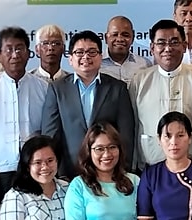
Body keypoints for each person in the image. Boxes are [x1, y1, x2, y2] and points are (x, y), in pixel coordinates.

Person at [42, 30, 135, 178]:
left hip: (109, 171)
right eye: (79, 52)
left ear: (100, 56)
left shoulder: (117, 88)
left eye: (92, 52)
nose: (86, 57)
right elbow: (51, 135)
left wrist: (122, 171)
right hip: (69, 173)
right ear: (70, 58)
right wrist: (57, 174)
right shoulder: (57, 89)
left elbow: (126, 135)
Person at [130, 20, 192, 168]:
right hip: (150, 165)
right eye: (161, 43)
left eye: (174, 42)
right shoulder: (140, 81)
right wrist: (131, 166)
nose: (168, 48)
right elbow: (133, 126)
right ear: (152, 48)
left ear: (184, 46)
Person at [0, 27, 49, 189]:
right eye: (9, 49)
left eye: (19, 49)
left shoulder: (43, 88)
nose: (15, 55)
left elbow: (48, 130)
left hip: (34, 169)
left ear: (29, 54)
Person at [101, 16, 153, 85]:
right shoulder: (96, 65)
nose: (120, 39)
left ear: (133, 38)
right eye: (115, 35)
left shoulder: (145, 64)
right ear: (106, 38)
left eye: (125, 35)